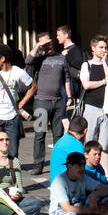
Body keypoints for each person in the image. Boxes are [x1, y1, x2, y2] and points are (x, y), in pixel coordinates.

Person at [25, 33, 70, 175]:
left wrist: (69, 96)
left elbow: (67, 78)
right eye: (44, 44)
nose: (48, 45)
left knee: (58, 135)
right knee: (40, 135)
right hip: (41, 102)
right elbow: (28, 60)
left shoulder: (61, 58)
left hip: (58, 103)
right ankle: (38, 164)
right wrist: (39, 46)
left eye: (49, 42)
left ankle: (58, 163)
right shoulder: (39, 59)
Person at [79, 35, 108, 175]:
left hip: (106, 108)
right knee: (88, 142)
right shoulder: (87, 65)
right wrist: (103, 82)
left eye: (105, 48)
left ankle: (106, 175)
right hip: (91, 107)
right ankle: (87, 172)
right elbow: (87, 84)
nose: (104, 50)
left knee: (104, 145)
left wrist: (104, 63)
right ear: (93, 48)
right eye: (101, 47)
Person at [49, 114, 88, 185]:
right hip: (67, 185)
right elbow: (83, 170)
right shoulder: (77, 145)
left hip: (56, 183)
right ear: (85, 131)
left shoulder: (62, 139)